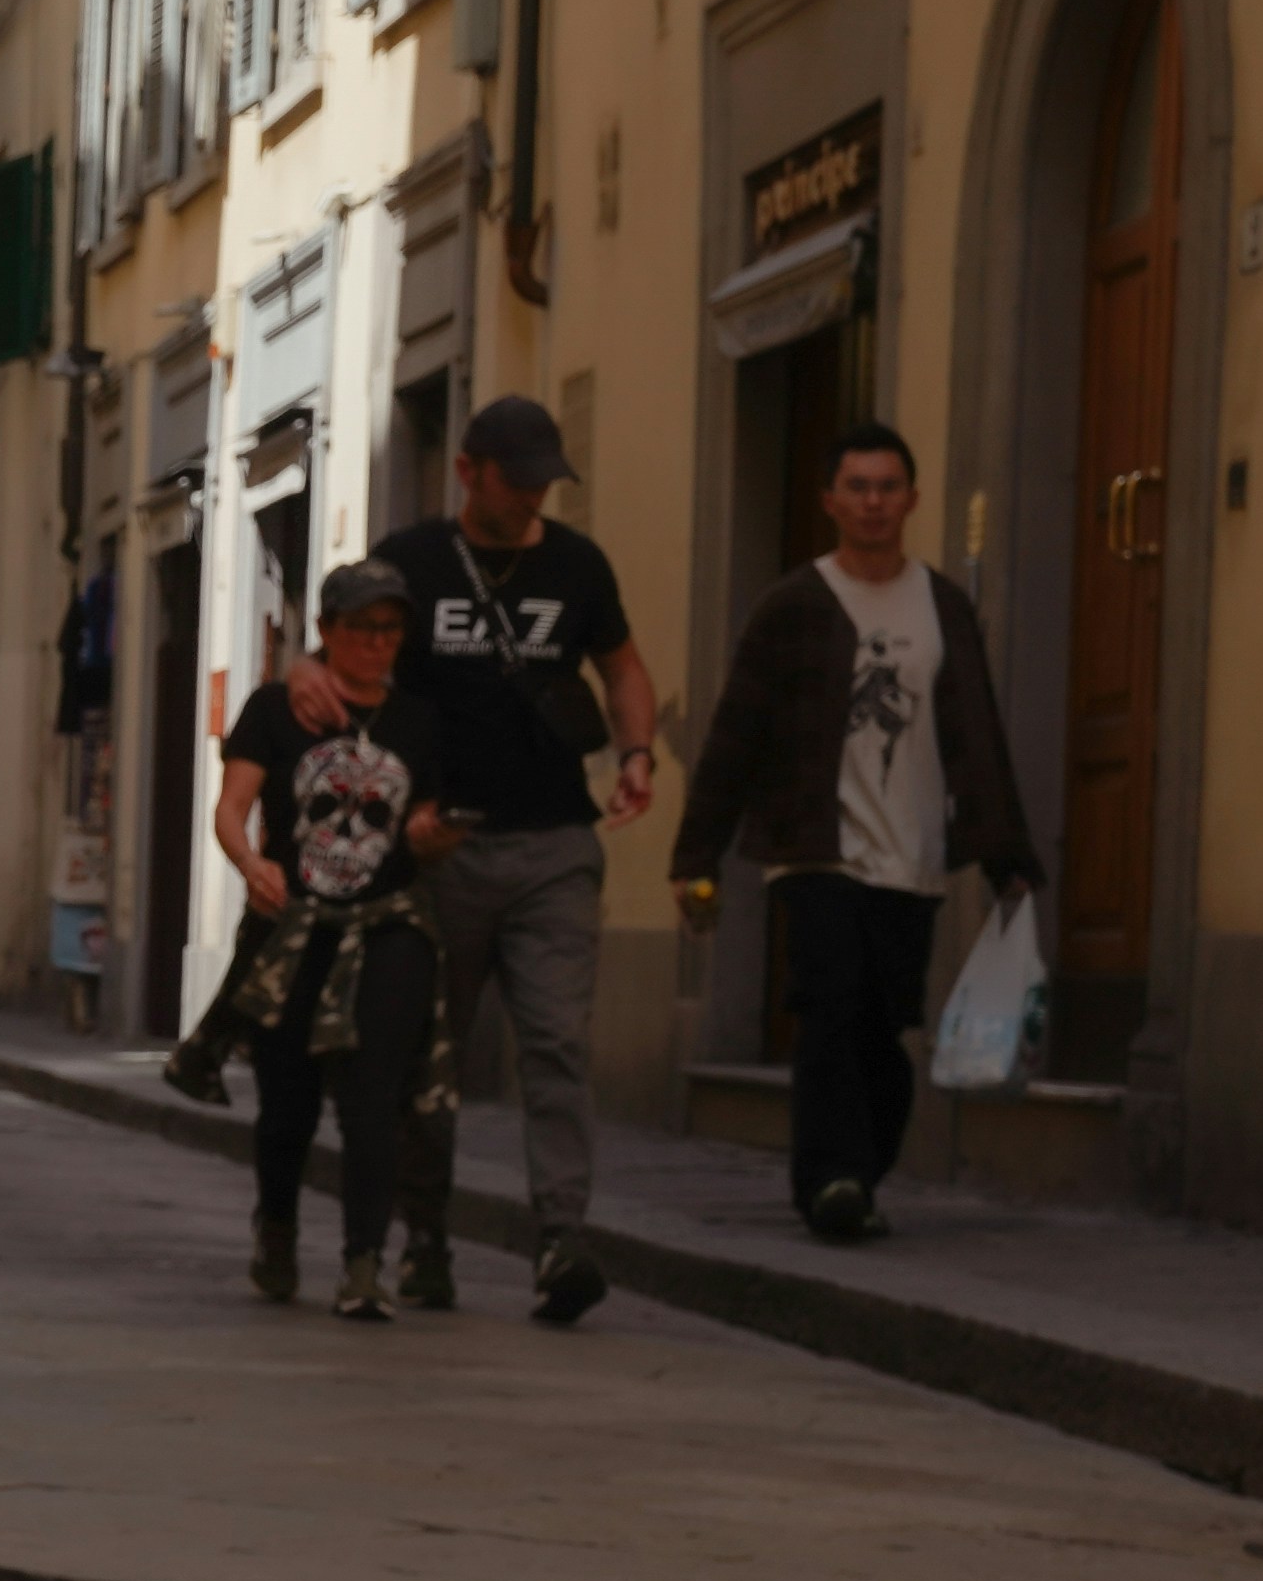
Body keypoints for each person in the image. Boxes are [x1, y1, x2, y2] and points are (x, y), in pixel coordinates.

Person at [280, 394, 660, 1326]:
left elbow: (622, 666)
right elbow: (340, 658)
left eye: (543, 480)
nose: (531, 495)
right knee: (423, 1056)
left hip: (553, 846)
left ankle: (562, 1239)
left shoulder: (576, 565)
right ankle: (426, 1242)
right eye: (515, 478)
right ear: (468, 471)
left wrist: (638, 750)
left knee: (558, 1044)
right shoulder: (407, 563)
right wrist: (301, 672)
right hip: (433, 851)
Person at [674, 421, 1040, 1242]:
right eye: (858, 488)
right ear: (831, 501)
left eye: (888, 488)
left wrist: (1006, 858)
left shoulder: (944, 605)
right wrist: (695, 854)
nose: (873, 503)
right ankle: (831, 1181)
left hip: (912, 858)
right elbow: (737, 733)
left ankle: (859, 1171)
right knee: (830, 1012)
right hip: (815, 853)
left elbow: (976, 734)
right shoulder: (792, 606)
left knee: (884, 1032)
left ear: (911, 499)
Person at [211, 562, 463, 1316]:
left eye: (391, 631)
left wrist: (431, 835)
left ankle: (363, 1263)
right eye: (362, 630)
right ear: (326, 632)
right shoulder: (276, 710)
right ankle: (278, 1228)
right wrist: (251, 863)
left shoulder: (418, 722)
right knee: (287, 1098)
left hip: (385, 927)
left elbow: (427, 830)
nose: (377, 645)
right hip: (294, 927)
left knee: (375, 1094)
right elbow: (232, 807)